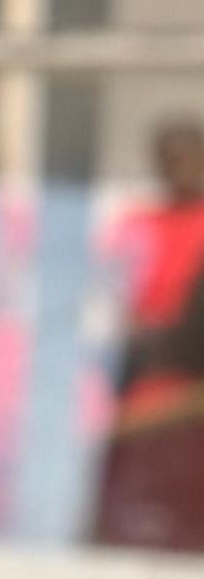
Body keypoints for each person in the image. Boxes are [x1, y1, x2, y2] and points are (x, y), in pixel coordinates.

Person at [91, 118, 204, 551]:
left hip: (189, 398)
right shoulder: (136, 222)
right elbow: (109, 296)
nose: (179, 167)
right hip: (137, 395)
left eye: (188, 156)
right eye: (169, 157)